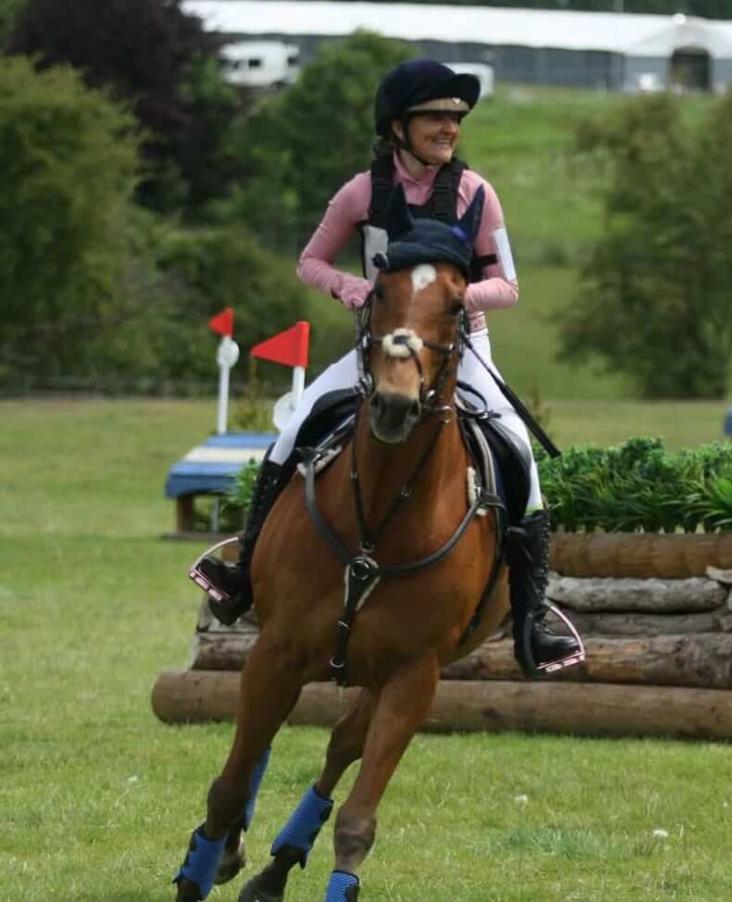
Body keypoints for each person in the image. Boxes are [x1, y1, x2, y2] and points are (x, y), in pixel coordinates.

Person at [191, 59, 583, 678]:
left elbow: (507, 286)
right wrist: (351, 289)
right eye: (436, 116)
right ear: (397, 125)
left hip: (461, 350)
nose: (450, 127)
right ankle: (242, 571)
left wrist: (452, 302)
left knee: (520, 457)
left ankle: (532, 616)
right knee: (293, 432)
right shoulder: (359, 193)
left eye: (455, 117)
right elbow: (310, 262)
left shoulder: (477, 194)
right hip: (378, 349)